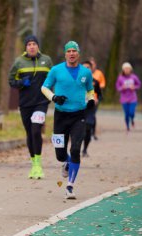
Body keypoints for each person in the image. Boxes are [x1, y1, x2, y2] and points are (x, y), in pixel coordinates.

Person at [41, 41, 94, 199]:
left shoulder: (86, 73)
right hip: (61, 116)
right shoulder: (56, 70)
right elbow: (44, 87)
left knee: (76, 149)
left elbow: (90, 90)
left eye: (74, 51)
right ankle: (67, 162)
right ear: (65, 54)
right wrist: (54, 97)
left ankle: (70, 186)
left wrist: (90, 100)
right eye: (69, 51)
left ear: (78, 53)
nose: (71, 53)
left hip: (79, 115)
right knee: (60, 155)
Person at [8, 35, 53, 179]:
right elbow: (11, 80)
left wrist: (53, 93)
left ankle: (38, 165)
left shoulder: (47, 60)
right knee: (29, 133)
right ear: (26, 47)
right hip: (25, 103)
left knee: (36, 130)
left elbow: (54, 77)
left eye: (34, 44)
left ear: (38, 46)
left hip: (41, 102)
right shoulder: (19, 62)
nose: (32, 46)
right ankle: (33, 163)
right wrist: (21, 82)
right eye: (29, 44)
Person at [81, 60, 102, 157]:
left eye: (88, 67)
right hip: (79, 109)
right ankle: (76, 147)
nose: (86, 69)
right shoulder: (77, 81)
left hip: (90, 108)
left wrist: (97, 99)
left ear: (91, 69)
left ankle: (85, 149)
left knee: (88, 128)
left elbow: (100, 94)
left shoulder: (95, 82)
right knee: (79, 129)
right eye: (84, 67)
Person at [115, 62, 142, 132]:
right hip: (124, 99)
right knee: (126, 114)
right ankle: (127, 126)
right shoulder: (120, 78)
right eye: (125, 69)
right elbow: (117, 87)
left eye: (128, 69)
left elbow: (139, 85)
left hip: (133, 98)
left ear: (130, 69)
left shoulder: (134, 77)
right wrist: (122, 88)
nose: (127, 70)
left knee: (131, 113)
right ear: (123, 70)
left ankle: (132, 119)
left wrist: (134, 87)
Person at [89, 57, 106, 140]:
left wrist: (97, 85)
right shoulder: (84, 73)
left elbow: (103, 83)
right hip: (85, 98)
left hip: (95, 98)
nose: (91, 66)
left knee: (92, 115)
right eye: (90, 64)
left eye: (93, 64)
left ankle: (93, 133)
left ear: (95, 65)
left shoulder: (99, 73)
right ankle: (86, 132)